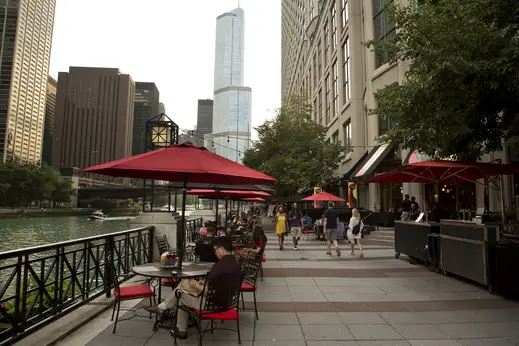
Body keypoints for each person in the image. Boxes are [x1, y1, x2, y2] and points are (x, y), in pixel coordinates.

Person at [144, 238, 241, 339]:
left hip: (212, 305)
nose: (215, 253)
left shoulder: (218, 266)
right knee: (184, 284)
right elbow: (219, 284)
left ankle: (179, 329)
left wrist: (196, 285)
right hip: (227, 302)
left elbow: (210, 291)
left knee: (179, 294)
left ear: (221, 249)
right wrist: (202, 282)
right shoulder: (236, 265)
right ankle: (163, 309)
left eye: (215, 250)